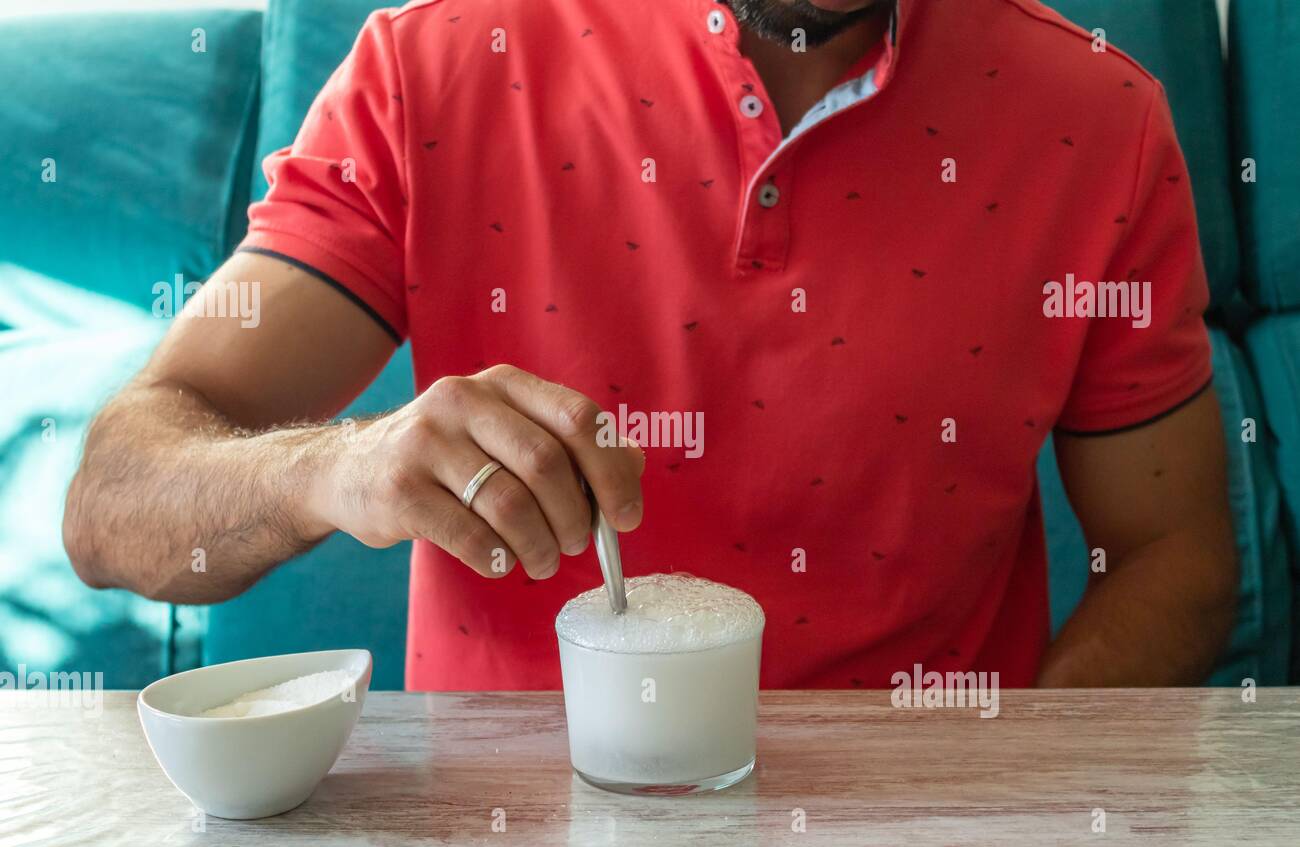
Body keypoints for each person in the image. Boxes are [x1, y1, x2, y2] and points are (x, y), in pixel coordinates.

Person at [63, 0, 1237, 690]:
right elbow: (114, 503)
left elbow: (1170, 558)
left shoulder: (1100, 122)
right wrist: (340, 464)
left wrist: (999, 804)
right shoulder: (430, 69)